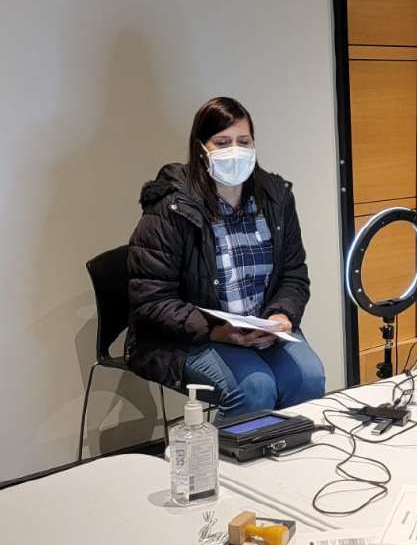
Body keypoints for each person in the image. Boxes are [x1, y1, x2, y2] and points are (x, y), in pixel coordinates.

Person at [126, 97, 325, 417]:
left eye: (243, 142)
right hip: (190, 336)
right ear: (201, 149)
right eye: (222, 142)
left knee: (308, 379)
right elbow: (151, 299)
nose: (235, 150)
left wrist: (281, 316)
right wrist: (216, 331)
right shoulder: (171, 207)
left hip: (262, 329)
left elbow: (293, 272)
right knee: (255, 388)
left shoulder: (275, 198)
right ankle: (222, 465)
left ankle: (283, 461)